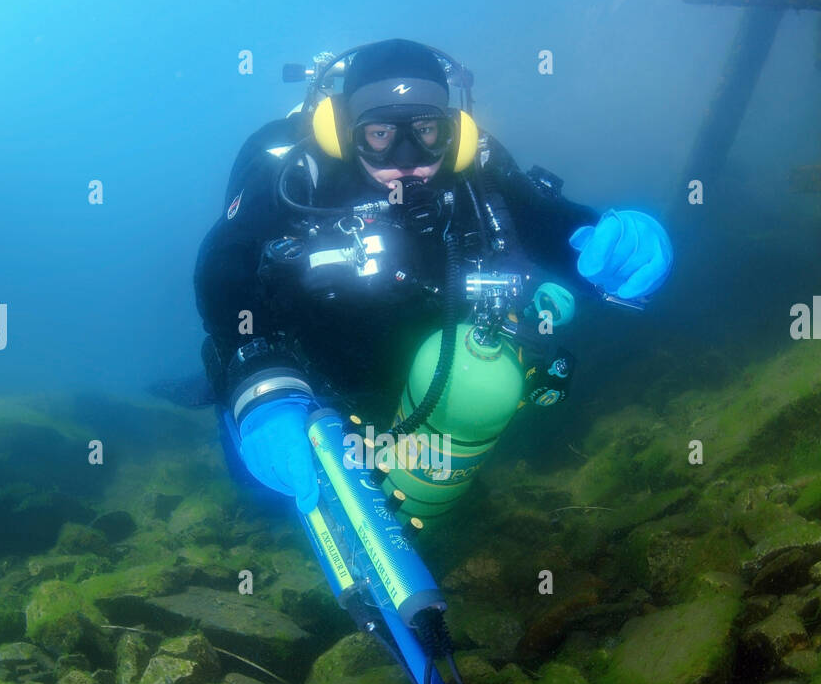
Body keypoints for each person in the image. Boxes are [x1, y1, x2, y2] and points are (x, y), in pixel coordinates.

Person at [194, 38, 672, 514]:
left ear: (453, 132)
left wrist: (605, 239)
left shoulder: (475, 165)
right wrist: (259, 387)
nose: (406, 159)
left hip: (424, 370)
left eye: (426, 130)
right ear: (344, 132)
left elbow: (548, 223)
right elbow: (224, 271)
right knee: (265, 496)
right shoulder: (293, 169)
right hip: (310, 374)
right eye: (379, 135)